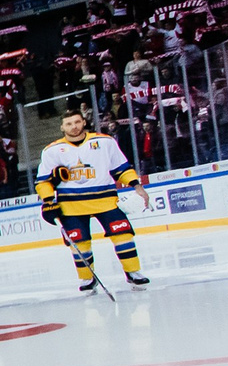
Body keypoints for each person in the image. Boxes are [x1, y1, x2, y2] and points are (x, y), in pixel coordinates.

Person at [35, 107, 150, 293]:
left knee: (123, 234)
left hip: (105, 199)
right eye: (69, 124)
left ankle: (133, 272)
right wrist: (49, 200)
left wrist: (137, 186)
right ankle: (87, 279)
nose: (74, 127)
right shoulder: (52, 150)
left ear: (84, 122)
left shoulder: (105, 142)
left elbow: (121, 168)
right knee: (79, 243)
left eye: (77, 122)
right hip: (70, 204)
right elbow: (42, 182)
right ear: (62, 127)